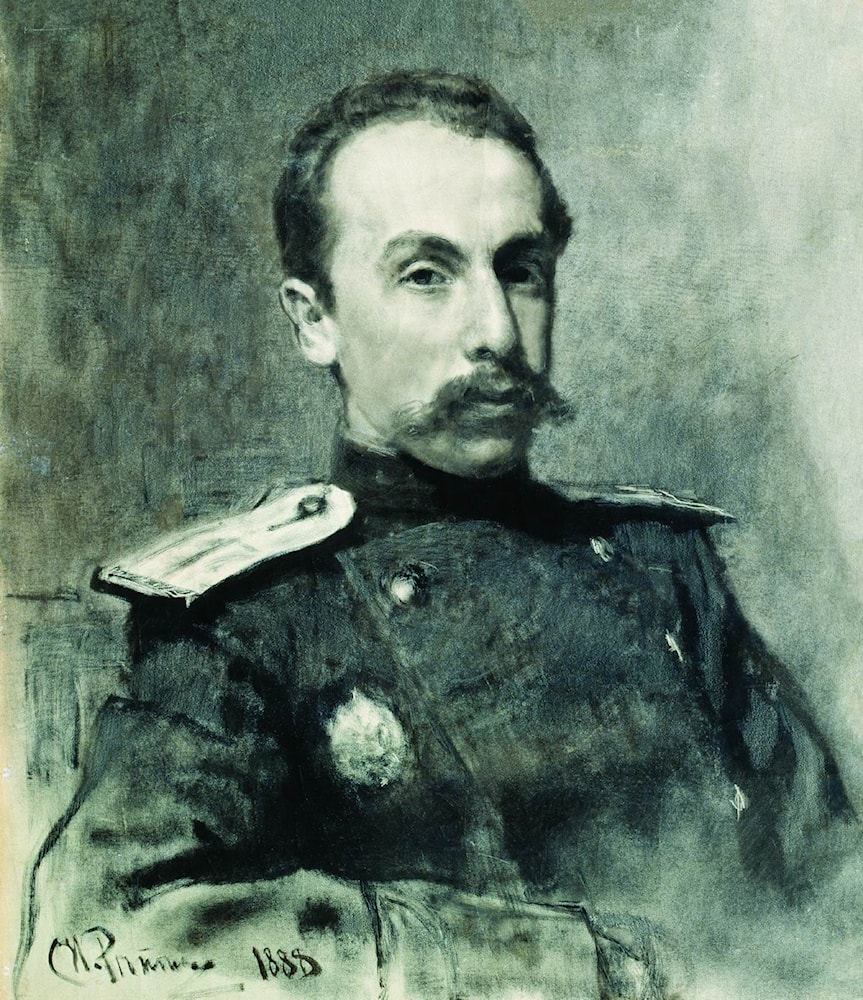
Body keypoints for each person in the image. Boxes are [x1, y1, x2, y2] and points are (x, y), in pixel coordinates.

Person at [16, 70, 856, 999]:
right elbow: (93, 943)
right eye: (426, 275)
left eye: (519, 270)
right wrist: (566, 964)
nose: (495, 331)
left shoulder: (660, 567)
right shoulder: (251, 618)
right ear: (314, 321)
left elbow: (835, 899)